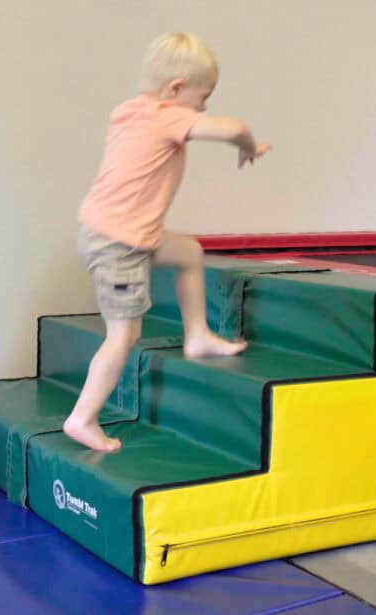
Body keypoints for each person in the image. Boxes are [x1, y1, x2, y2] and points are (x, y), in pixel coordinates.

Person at [63, 32, 272, 452]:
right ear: (175, 89)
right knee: (123, 334)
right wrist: (249, 147)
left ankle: (197, 335)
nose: (204, 107)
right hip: (119, 243)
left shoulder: (129, 112)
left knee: (189, 253)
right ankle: (82, 418)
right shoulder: (165, 116)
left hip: (121, 233)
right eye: (203, 97)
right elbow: (235, 128)